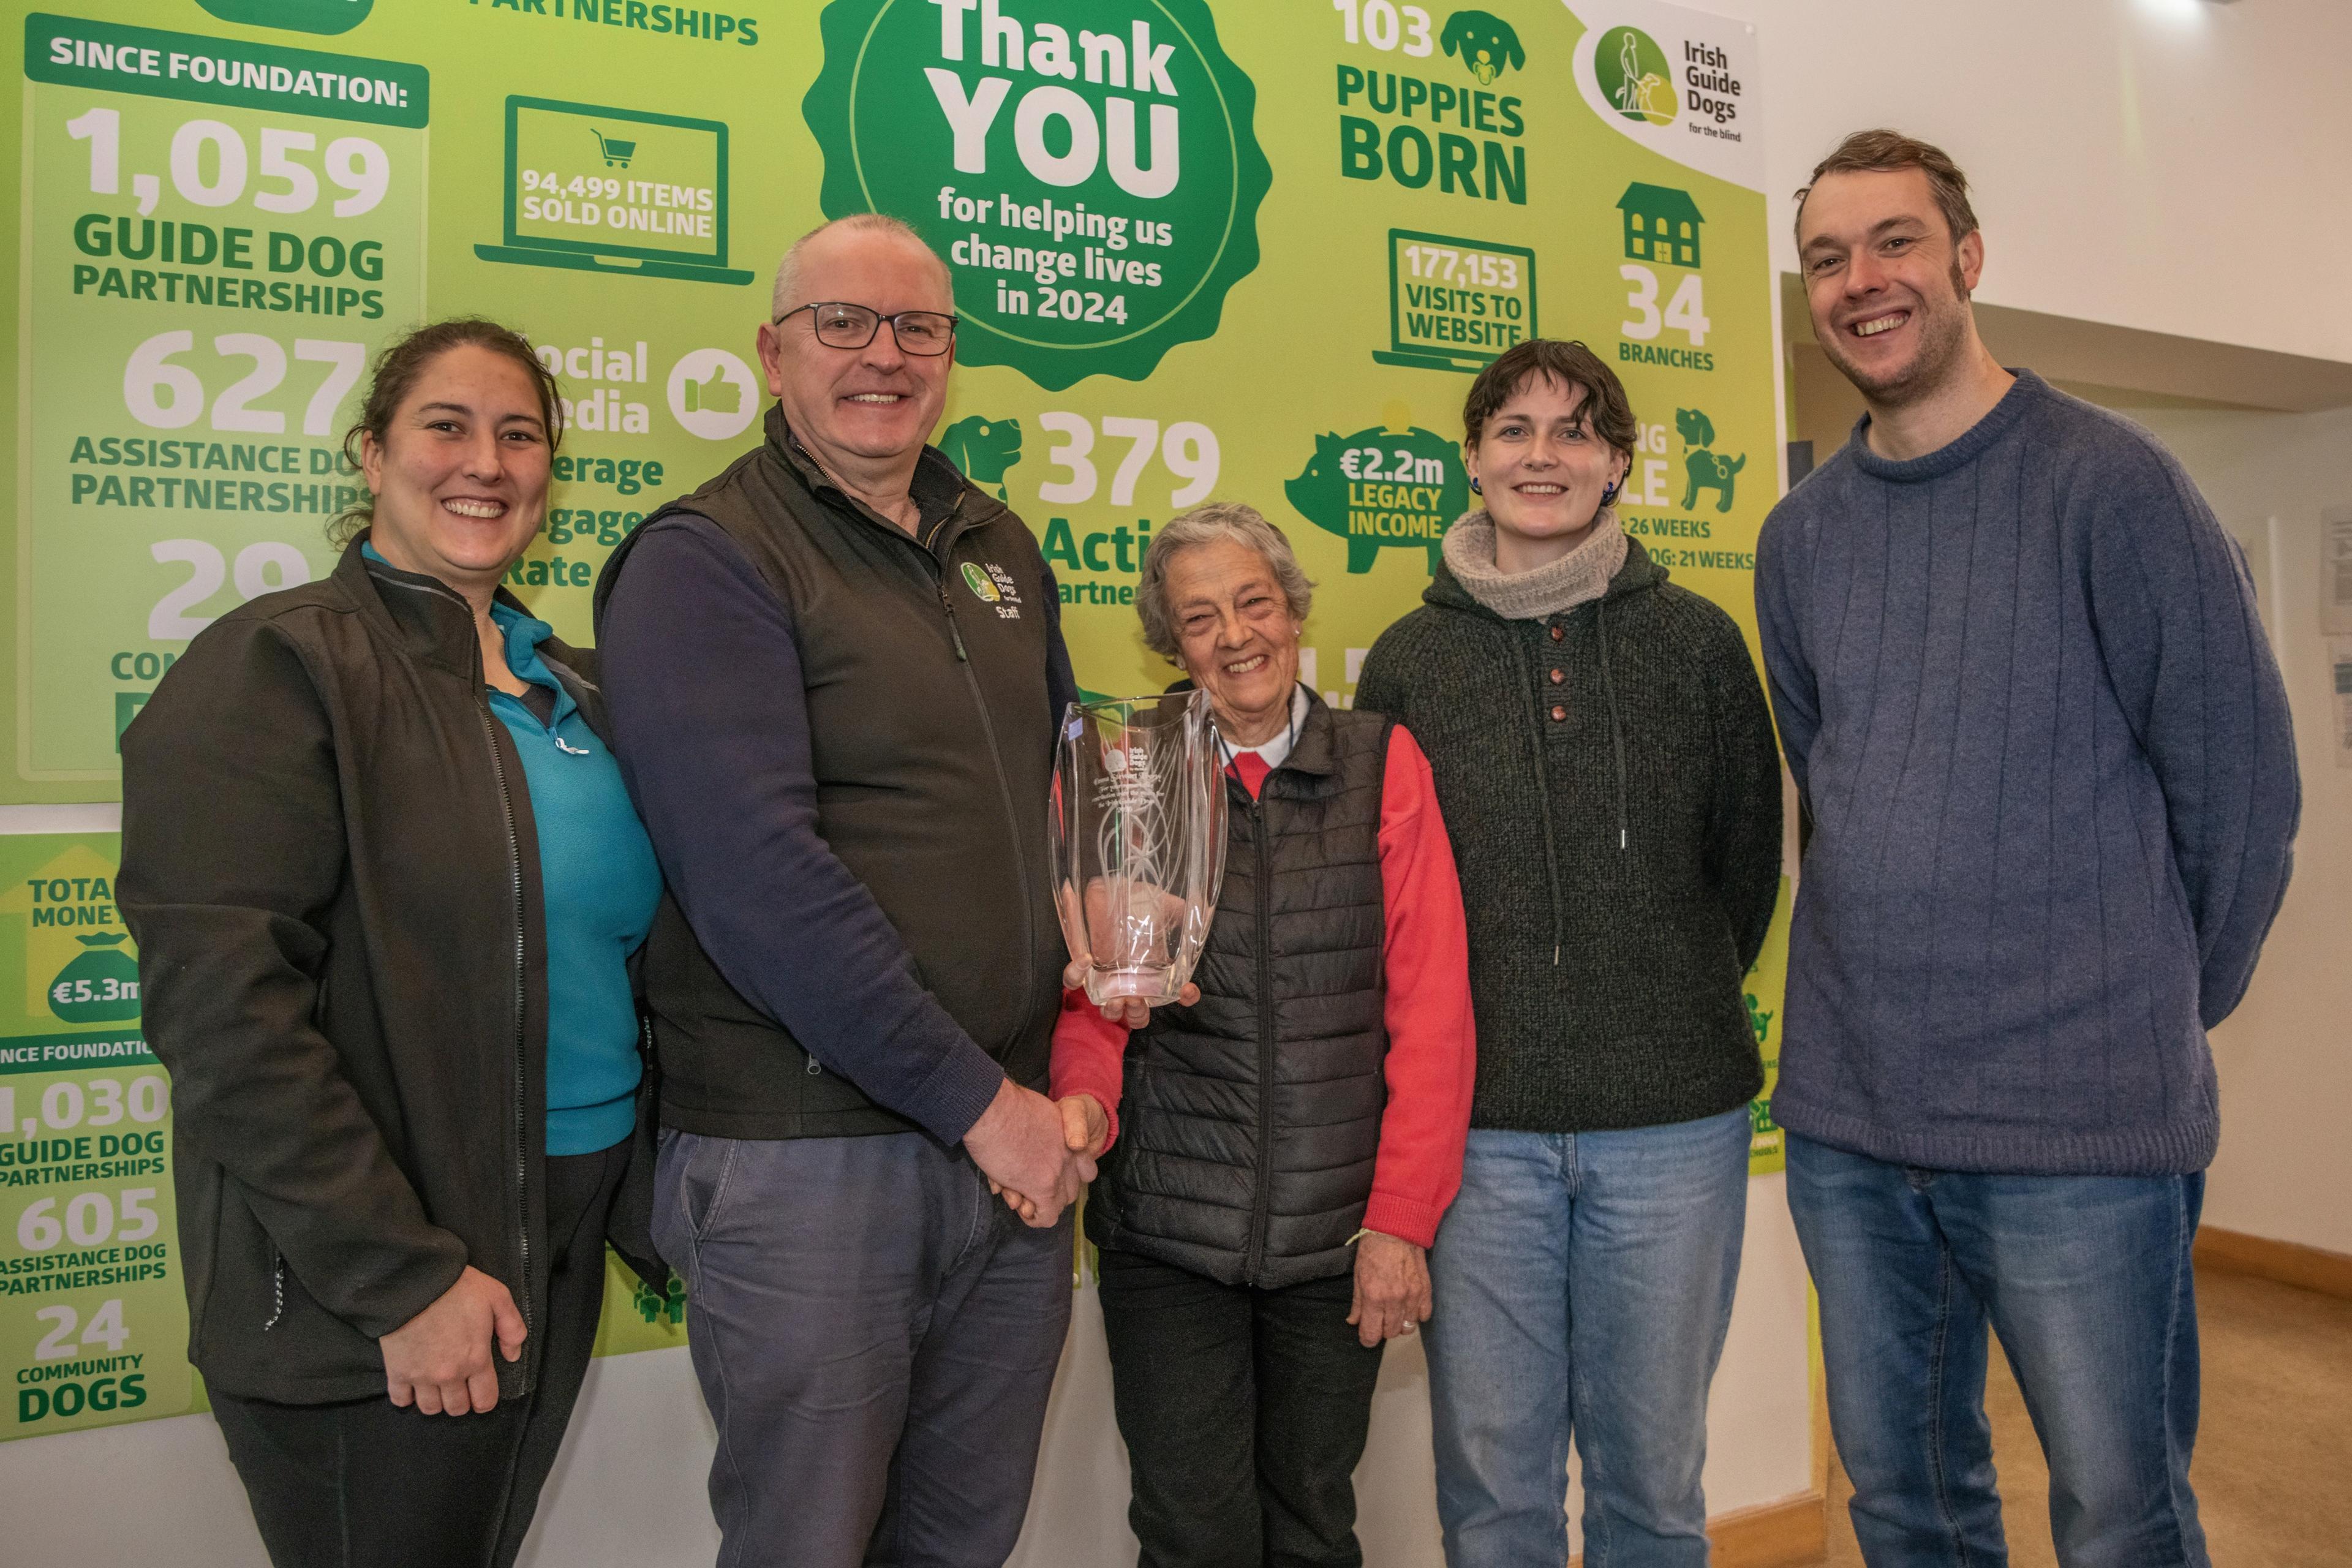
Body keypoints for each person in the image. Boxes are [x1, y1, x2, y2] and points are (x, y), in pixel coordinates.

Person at [1757, 130, 2300, 1568]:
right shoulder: (1798, 537)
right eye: (1827, 257)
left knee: (2119, 1514)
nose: (1861, 280)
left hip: (2084, 1130)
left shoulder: (2115, 486)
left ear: (1967, 257)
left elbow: (2242, 793)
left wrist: (2154, 1005)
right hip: (1856, 1125)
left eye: (1895, 242)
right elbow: (1836, 777)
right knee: (1903, 1504)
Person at [591, 214, 1101, 1568]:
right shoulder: (704, 559)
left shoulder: (998, 544)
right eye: (843, 324)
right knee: (807, 1542)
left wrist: (1077, 1047)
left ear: (951, 356)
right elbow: (757, 883)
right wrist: (984, 1106)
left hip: (1009, 1147)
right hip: (805, 1151)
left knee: (962, 1537)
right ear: (773, 351)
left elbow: (1064, 813)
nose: (884, 355)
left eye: (918, 328)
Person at [118, 318, 665, 1568]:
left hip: (562, 1222)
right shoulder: (279, 663)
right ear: (371, 454)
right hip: (383, 1261)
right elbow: (223, 1011)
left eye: (519, 434)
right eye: (446, 425)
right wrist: (399, 1275)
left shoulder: (576, 688)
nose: (486, 460)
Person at [1355, 338, 1784, 1567]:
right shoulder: (1407, 661)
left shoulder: (1699, 642)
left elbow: (1743, 867)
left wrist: (1649, 989)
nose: (1543, 454)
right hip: (1476, 1140)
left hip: (1671, 1130)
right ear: (1472, 459)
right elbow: (1391, 899)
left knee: (1653, 1484)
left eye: (1576, 431)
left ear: (1619, 466)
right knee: (1495, 1488)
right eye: (1515, 430)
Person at [1050, 503, 1478, 1568]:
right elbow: (1094, 998)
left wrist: (1401, 1224)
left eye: (1253, 603)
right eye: (1200, 620)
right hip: (1167, 1239)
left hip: (1336, 1240)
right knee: (1191, 1536)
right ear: (1172, 643)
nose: (1236, 635)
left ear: (1292, 609)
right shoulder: (1127, 770)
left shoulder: (1385, 764)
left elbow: (1433, 1011)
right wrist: (1084, 1111)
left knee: (1313, 1531)